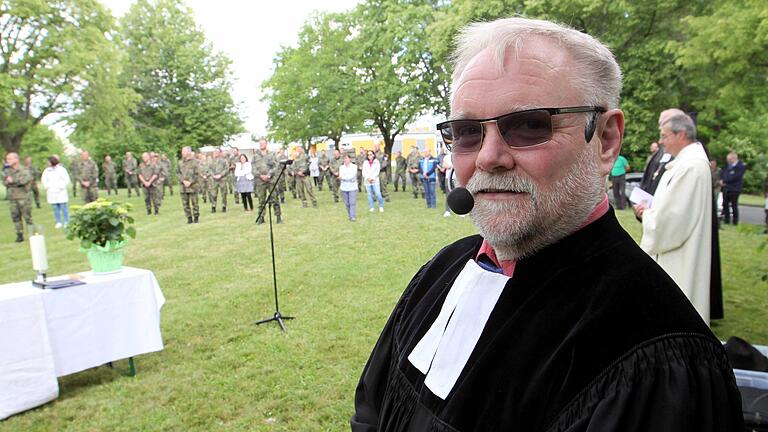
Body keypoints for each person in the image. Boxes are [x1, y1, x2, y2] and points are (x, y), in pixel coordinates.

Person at [352, 17, 742, 431]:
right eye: (467, 132)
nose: (488, 157)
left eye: (528, 125)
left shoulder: (654, 356)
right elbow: (372, 411)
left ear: (606, 139)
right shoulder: (442, 271)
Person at [635, 113, 713, 324]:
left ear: (681, 134)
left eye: (664, 135)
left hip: (678, 256)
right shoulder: (687, 163)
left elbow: (671, 223)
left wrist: (647, 214)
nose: (661, 141)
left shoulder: (691, 167)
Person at [3, 152, 34, 242]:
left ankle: (33, 233)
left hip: (23, 197)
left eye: (10, 159)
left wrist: (12, 181)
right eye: (7, 159)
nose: (8, 161)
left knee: (27, 217)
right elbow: (5, 182)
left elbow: (24, 181)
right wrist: (9, 182)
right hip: (13, 197)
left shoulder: (24, 170)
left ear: (16, 159)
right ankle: (19, 235)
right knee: (15, 217)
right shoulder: (7, 171)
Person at [252, 138, 282, 224]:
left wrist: (269, 174)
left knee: (275, 198)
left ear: (266, 144)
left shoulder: (272, 154)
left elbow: (276, 165)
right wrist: (260, 175)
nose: (261, 145)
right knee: (261, 200)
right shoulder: (255, 156)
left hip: (271, 180)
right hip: (260, 181)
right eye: (260, 143)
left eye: (263, 143)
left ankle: (278, 217)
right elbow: (253, 168)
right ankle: (261, 217)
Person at [41, 156, 71, 228]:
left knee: (64, 207)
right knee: (55, 207)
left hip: (60, 191)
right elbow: (44, 180)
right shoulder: (46, 171)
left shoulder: (61, 169)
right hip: (51, 191)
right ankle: (59, 222)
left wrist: (61, 187)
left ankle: (67, 221)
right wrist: (48, 187)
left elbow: (66, 179)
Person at [720, 151, 747, 225]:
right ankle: (727, 219)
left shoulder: (741, 166)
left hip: (735, 188)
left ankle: (735, 221)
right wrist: (721, 180)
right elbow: (723, 173)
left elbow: (736, 177)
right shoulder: (727, 166)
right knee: (725, 204)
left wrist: (725, 181)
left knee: (734, 205)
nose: (728, 161)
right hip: (726, 188)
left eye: (729, 159)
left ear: (734, 158)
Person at [209, 148, 229, 213]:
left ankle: (224, 206)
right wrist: (213, 175)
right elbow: (209, 169)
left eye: (217, 152)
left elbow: (226, 169)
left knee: (224, 193)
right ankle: (213, 206)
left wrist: (221, 175)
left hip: (222, 179)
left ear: (220, 153)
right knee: (213, 194)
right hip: (214, 179)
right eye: (215, 152)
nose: (216, 153)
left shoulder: (224, 161)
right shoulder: (211, 161)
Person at [339, 153, 358, 221]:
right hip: (344, 187)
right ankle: (349, 215)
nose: (345, 160)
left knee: (352, 202)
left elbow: (352, 176)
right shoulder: (341, 167)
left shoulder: (354, 167)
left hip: (352, 187)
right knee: (347, 203)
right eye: (344, 159)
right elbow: (341, 176)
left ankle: (353, 216)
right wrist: (344, 177)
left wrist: (344, 177)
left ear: (350, 159)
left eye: (346, 158)